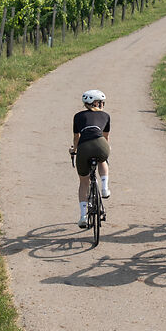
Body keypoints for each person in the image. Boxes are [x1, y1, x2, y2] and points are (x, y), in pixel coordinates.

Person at [71, 89, 111, 229]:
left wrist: (74, 150)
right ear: (96, 103)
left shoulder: (78, 116)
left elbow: (76, 137)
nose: (102, 105)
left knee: (84, 182)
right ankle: (105, 188)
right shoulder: (106, 116)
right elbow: (105, 137)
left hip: (84, 148)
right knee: (102, 160)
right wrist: (107, 149)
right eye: (101, 102)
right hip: (101, 144)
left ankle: (83, 217)